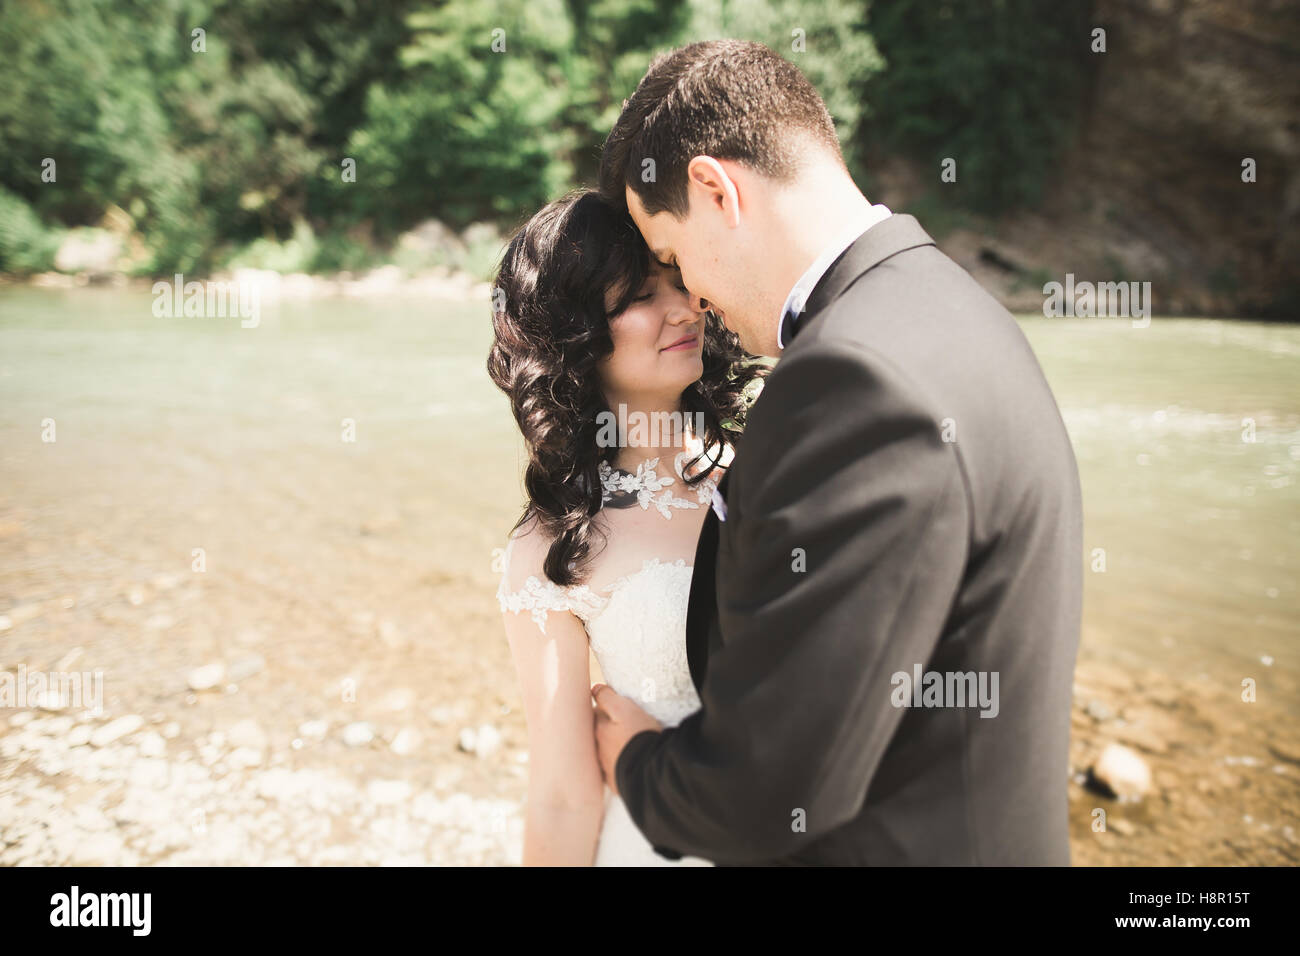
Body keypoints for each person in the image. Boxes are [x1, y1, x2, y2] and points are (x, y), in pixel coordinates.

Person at [590, 39, 1084, 865]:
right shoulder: (956, 308)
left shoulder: (851, 378)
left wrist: (636, 759)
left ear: (716, 190)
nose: (695, 298)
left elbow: (769, 796)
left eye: (675, 256)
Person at [487, 188, 768, 864]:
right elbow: (561, 794)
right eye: (641, 296)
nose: (685, 308)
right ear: (575, 337)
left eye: (680, 280)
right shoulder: (551, 546)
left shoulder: (771, 475)